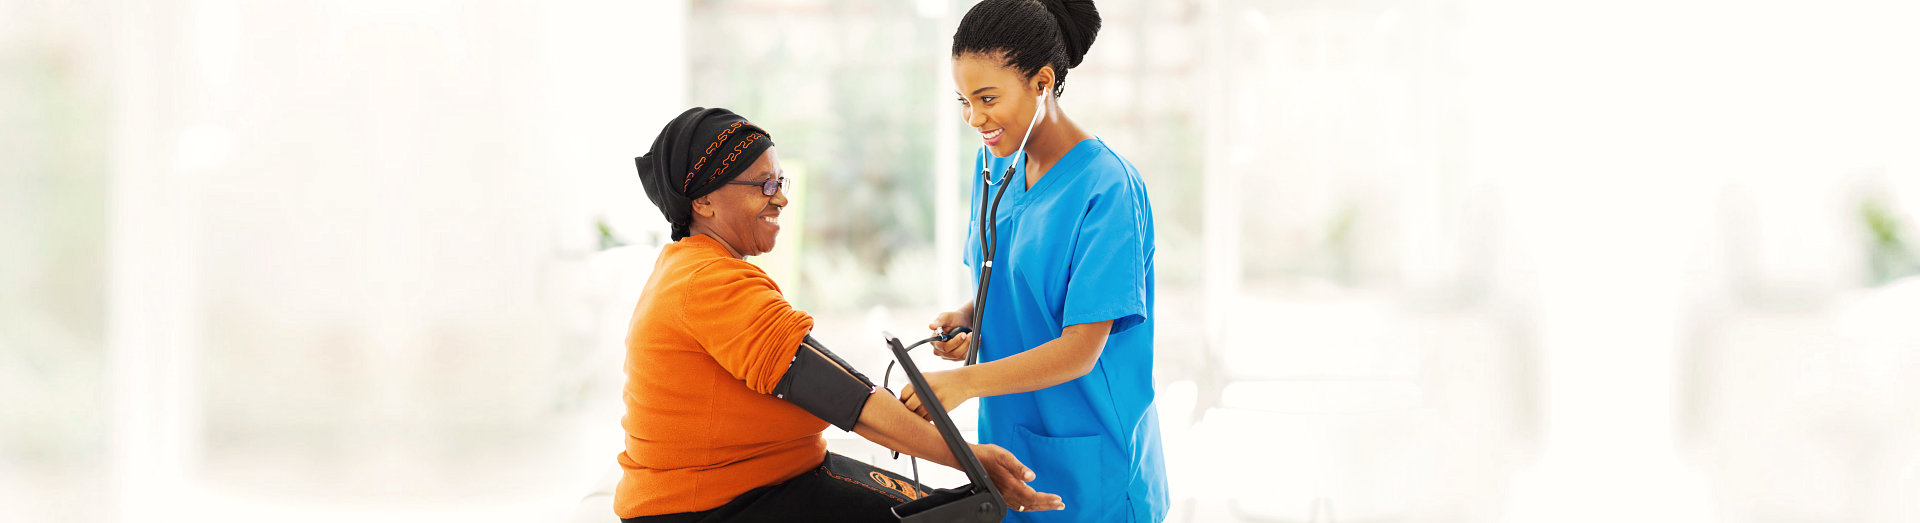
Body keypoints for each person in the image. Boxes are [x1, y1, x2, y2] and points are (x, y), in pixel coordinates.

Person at [617, 107, 1064, 522]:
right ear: (703, 202)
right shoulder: (709, 284)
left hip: (764, 479)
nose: (781, 200)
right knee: (963, 513)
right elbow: (848, 400)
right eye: (763, 185)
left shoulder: (694, 267)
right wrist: (969, 455)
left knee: (944, 507)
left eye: (780, 182)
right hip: (716, 505)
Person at [899, 1, 1169, 521]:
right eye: (963, 101)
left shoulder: (1108, 188)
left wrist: (961, 384)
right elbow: (1008, 283)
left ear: (1042, 82)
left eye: (987, 98)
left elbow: (1078, 351)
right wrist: (970, 318)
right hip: (1009, 449)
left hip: (1095, 466)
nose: (974, 119)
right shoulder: (995, 163)